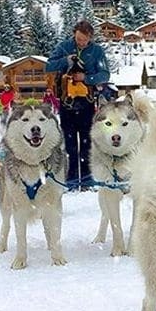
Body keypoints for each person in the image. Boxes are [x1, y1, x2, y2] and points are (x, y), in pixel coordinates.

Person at [45, 19, 110, 190]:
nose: (81, 42)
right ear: (74, 34)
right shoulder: (64, 47)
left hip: (87, 103)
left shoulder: (97, 51)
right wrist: (66, 61)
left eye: (84, 40)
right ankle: (72, 181)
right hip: (67, 103)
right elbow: (49, 66)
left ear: (90, 37)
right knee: (70, 144)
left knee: (88, 144)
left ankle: (88, 181)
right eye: (79, 39)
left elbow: (105, 75)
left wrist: (87, 79)